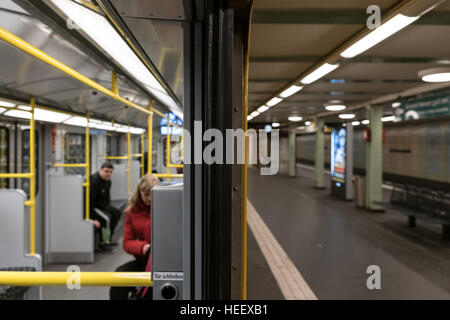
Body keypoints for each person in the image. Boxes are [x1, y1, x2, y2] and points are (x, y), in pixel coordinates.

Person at [109, 173, 160, 300]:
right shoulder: (132, 211)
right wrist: (143, 247)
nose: (149, 198)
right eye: (146, 194)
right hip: (144, 260)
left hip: (164, 263)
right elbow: (127, 242)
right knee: (119, 277)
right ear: (139, 192)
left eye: (152, 194)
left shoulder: (166, 208)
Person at [90, 162, 122, 251]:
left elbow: (107, 197)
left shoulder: (108, 181)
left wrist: (108, 208)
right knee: (106, 218)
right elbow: (89, 202)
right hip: (93, 207)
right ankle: (103, 243)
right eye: (106, 171)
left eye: (110, 172)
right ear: (101, 170)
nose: (108, 174)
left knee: (117, 213)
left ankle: (108, 239)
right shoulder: (93, 181)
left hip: (102, 205)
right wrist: (92, 218)